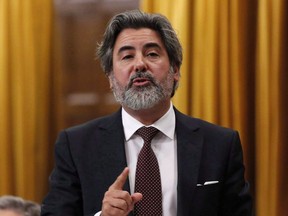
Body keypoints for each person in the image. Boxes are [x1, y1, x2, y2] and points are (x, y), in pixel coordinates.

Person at [41, 9, 252, 216]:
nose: (140, 64)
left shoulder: (220, 144)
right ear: (111, 76)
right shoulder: (77, 145)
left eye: (152, 54)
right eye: (127, 56)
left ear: (175, 70)